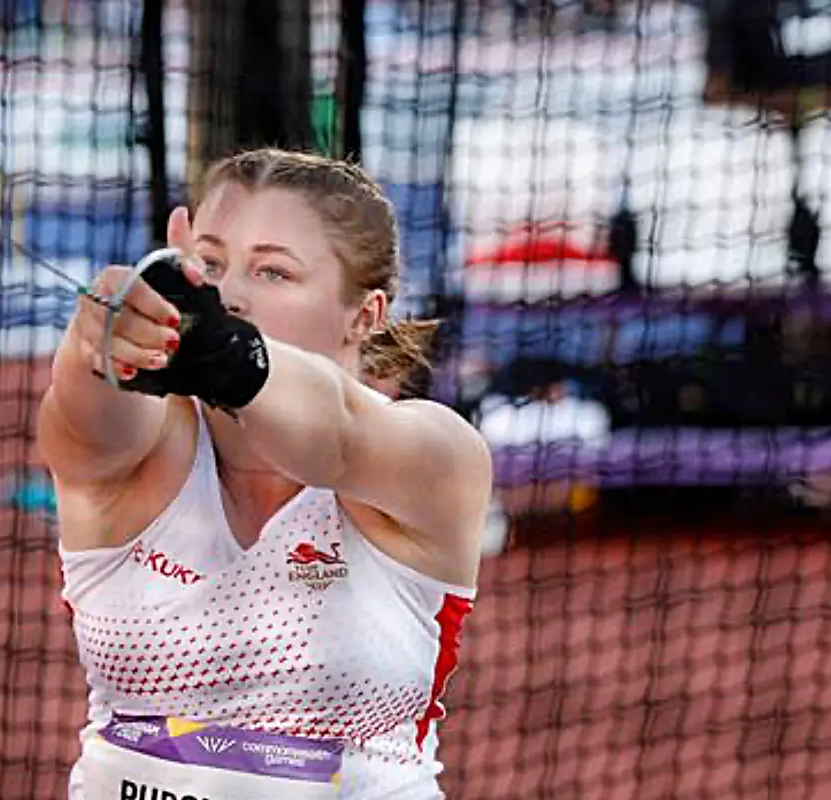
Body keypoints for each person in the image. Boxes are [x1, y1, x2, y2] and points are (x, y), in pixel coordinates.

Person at [37, 149, 492, 799]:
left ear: (365, 315)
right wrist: (103, 342)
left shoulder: (435, 454)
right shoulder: (148, 449)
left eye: (274, 272)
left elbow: (334, 437)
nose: (232, 296)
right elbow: (88, 421)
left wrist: (234, 356)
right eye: (213, 264)